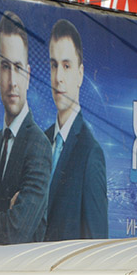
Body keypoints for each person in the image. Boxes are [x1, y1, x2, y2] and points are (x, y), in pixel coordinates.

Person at [0, 11, 52, 245]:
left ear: (28, 75)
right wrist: (3, 215)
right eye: (5, 67)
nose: (12, 81)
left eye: (18, 68)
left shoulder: (39, 146)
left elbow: (16, 232)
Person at [44, 19, 107, 241]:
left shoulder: (90, 153)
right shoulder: (39, 142)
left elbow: (96, 245)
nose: (58, 77)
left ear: (80, 74)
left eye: (66, 66)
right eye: (54, 65)